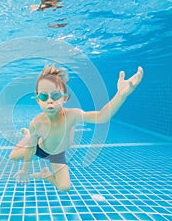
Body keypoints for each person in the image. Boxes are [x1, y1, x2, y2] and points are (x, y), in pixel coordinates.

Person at [9, 64, 143, 192]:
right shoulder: (36, 123)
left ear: (65, 98)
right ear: (38, 100)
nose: (50, 100)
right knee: (13, 156)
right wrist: (25, 170)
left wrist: (121, 95)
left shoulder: (72, 115)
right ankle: (29, 135)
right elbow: (31, 148)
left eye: (55, 95)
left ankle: (45, 174)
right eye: (44, 96)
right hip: (40, 148)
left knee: (64, 188)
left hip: (57, 154)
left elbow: (101, 117)